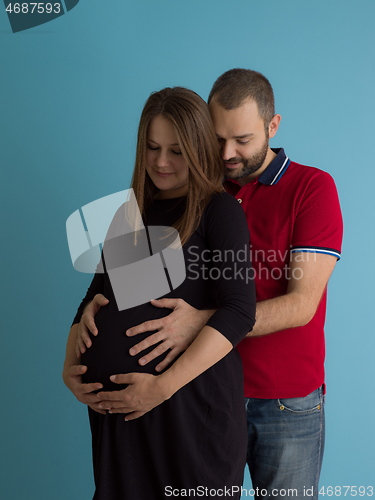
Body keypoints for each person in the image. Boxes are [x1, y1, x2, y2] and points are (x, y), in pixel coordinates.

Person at [76, 69, 343, 499]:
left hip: (282, 399)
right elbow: (139, 287)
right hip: (200, 390)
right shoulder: (191, 192)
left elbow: (301, 304)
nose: (227, 153)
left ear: (273, 126)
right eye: (216, 139)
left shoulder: (310, 189)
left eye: (242, 140)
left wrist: (199, 322)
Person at [63, 86, 256, 499]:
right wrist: (69, 368)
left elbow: (239, 311)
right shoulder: (129, 213)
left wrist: (160, 388)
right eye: (152, 147)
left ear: (199, 148)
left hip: (190, 415)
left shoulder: (219, 211)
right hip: (122, 423)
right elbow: (92, 300)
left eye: (176, 150)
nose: (162, 162)